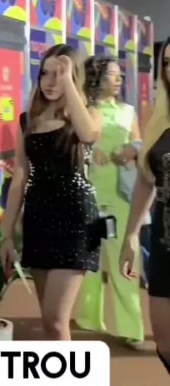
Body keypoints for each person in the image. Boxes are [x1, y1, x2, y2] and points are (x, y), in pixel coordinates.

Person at [0, 44, 101, 386]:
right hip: (39, 220)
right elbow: (20, 177)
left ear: (73, 78)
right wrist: (6, 232)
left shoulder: (85, 114)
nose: (50, 81)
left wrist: (69, 85)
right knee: (48, 323)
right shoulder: (28, 120)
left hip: (75, 220)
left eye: (59, 73)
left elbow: (90, 135)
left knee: (57, 322)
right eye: (44, 73)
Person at [75, 56, 145, 346]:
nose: (119, 80)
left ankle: (131, 327)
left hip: (121, 199)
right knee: (91, 262)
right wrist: (92, 153)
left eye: (120, 76)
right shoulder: (85, 110)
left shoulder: (129, 111)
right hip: (92, 196)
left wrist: (132, 149)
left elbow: (141, 143)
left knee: (124, 261)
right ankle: (88, 318)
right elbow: (76, 146)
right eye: (112, 75)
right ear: (97, 79)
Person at [120, 37, 170, 373]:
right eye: (166, 63)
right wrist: (132, 234)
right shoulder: (159, 119)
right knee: (164, 341)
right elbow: (145, 179)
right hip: (165, 246)